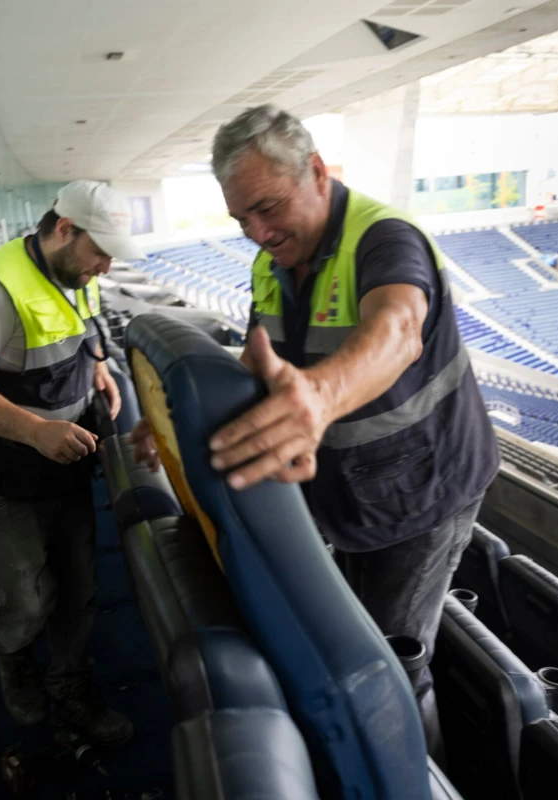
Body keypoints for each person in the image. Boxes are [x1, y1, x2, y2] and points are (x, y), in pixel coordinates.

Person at [132, 105, 499, 756]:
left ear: (318, 172)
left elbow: (398, 330)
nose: (258, 232)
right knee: (346, 645)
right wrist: (171, 415)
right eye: (241, 220)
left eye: (268, 208)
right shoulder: (271, 263)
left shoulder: (385, 240)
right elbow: (261, 363)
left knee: (390, 670)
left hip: (424, 497)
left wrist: (323, 395)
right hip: (343, 495)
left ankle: (416, 777)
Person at [0, 181, 143, 745]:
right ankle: (11, 654)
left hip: (61, 464)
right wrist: (35, 431)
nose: (105, 267)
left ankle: (70, 685)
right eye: (101, 251)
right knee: (27, 602)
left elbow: (81, 329)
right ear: (64, 229)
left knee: (78, 588)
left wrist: (97, 367)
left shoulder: (77, 273)